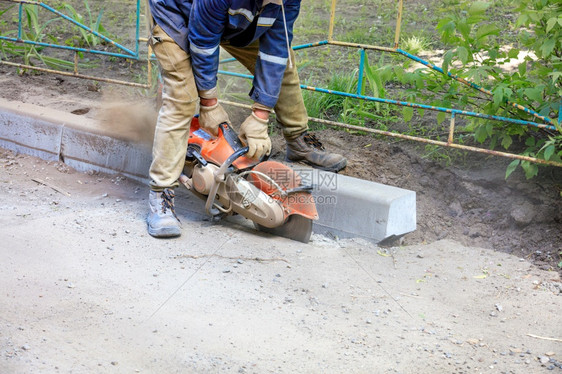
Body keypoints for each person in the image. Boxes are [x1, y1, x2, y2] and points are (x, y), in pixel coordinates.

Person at [147, 0, 347, 238]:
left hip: (234, 20)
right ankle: (161, 194)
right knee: (183, 95)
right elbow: (202, 41)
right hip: (177, 15)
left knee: (283, 65)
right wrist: (209, 104)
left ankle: (298, 141)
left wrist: (260, 116)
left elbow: (276, 49)